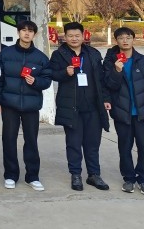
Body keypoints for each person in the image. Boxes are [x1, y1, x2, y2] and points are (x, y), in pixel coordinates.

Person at [50, 21, 110, 192]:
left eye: (77, 35)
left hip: (93, 107)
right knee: (74, 143)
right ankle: (75, 174)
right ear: (65, 37)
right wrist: (65, 73)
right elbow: (51, 74)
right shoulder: (59, 55)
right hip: (72, 107)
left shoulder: (93, 54)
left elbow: (101, 80)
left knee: (93, 144)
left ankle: (94, 174)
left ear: (83, 36)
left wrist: (105, 99)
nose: (74, 38)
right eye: (70, 36)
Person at [0, 20, 52, 191]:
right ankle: (10, 175)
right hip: (9, 104)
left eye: (30, 31)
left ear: (34, 34)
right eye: (23, 30)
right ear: (18, 32)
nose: (27, 33)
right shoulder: (6, 54)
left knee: (31, 141)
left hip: (31, 105)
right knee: (9, 140)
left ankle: (32, 176)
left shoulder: (41, 58)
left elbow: (47, 81)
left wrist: (36, 81)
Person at [103, 27, 144, 195]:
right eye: (121, 38)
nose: (125, 40)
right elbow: (108, 86)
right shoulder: (110, 62)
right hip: (122, 113)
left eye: (128, 37)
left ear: (133, 39)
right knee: (124, 148)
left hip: (143, 114)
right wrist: (117, 71)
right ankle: (128, 178)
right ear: (116, 41)